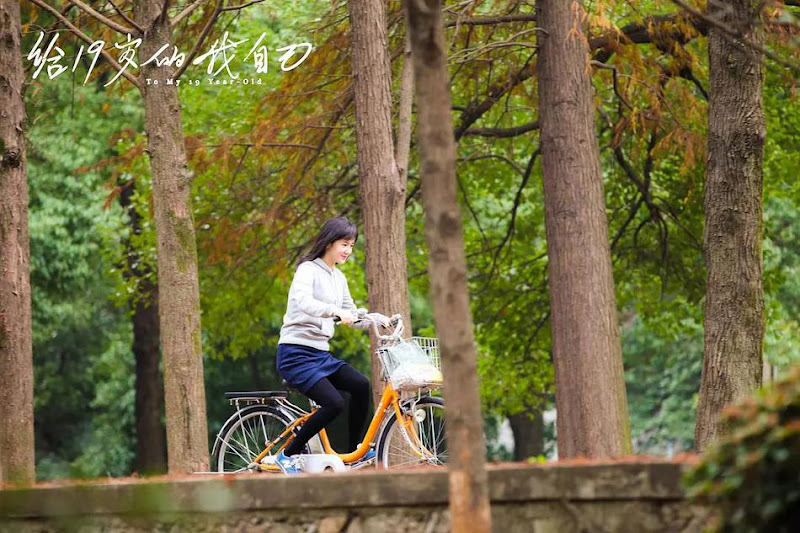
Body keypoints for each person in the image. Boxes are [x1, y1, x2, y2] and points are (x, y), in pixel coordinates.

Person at [275, 216, 380, 473]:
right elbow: (303, 302)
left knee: (361, 385)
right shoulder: (307, 269)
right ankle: (287, 454)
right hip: (295, 354)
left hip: (321, 354)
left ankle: (355, 451)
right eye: (344, 244)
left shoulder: (338, 278)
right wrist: (334, 311)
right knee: (334, 404)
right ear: (329, 242)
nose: (348, 250)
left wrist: (376, 319)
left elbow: (351, 315)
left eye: (352, 246)